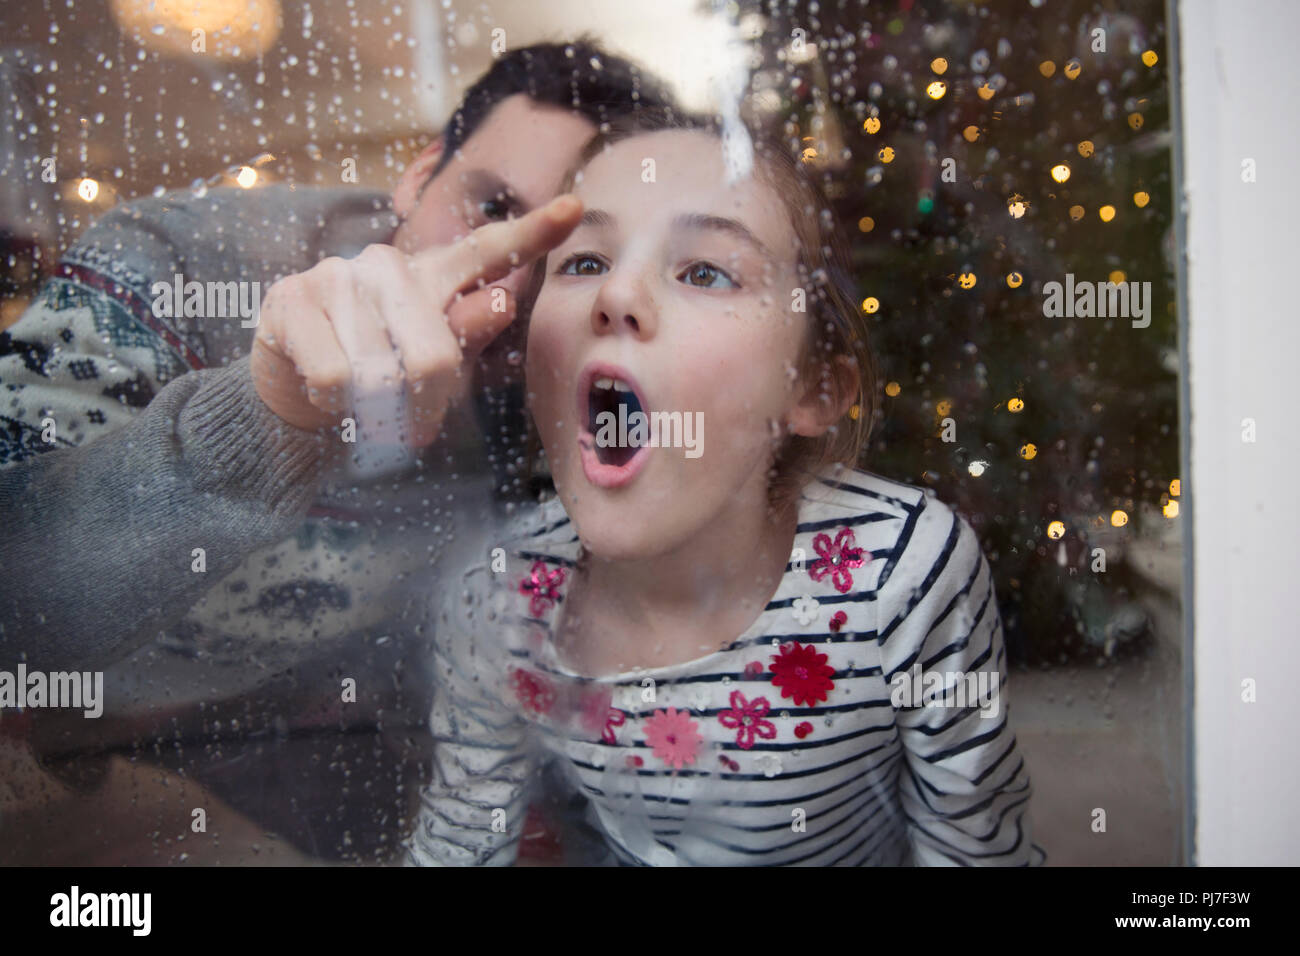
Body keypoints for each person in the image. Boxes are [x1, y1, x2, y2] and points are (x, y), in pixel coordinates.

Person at [0, 38, 675, 860]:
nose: (501, 300)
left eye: (574, 261)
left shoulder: (555, 404)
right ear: (420, 173)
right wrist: (271, 417)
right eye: (493, 209)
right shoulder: (175, 262)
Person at [408, 108, 1047, 866]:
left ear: (810, 389)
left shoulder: (901, 572)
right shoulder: (497, 600)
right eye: (583, 262)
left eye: (705, 271)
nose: (617, 294)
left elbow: (973, 844)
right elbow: (460, 835)